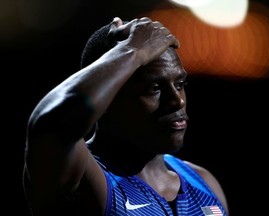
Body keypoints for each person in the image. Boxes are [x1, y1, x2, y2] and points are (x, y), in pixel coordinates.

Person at [23, 16, 229, 216]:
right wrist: (133, 50)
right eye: (154, 88)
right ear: (107, 97)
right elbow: (50, 123)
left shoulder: (203, 183)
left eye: (180, 85)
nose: (177, 101)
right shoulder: (82, 177)